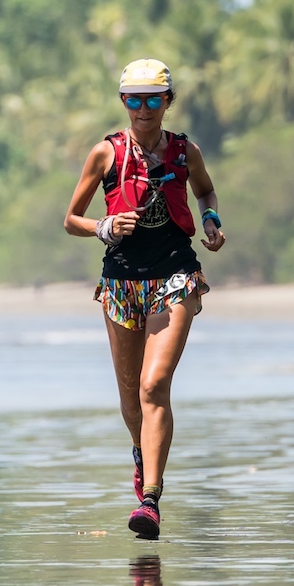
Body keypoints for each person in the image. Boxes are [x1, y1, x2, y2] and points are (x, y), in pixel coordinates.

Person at [63, 60, 226, 539]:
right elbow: (71, 219)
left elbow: (205, 190)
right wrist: (104, 226)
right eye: (133, 99)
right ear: (123, 102)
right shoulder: (106, 153)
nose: (143, 108)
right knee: (131, 398)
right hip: (121, 282)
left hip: (175, 276)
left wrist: (211, 219)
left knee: (154, 386)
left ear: (168, 101)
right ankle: (142, 453)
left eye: (153, 99)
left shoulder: (185, 151)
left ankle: (150, 500)